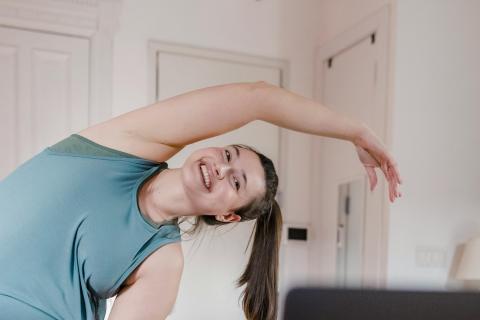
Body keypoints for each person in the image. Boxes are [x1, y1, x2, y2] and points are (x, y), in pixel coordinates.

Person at [0, 81, 401, 320]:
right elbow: (259, 98)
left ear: (227, 215)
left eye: (237, 182)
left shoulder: (162, 262)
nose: (222, 169)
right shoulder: (125, 144)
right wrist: (356, 131)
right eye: (229, 155)